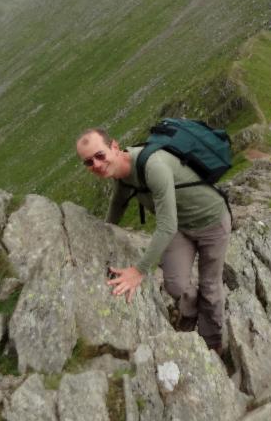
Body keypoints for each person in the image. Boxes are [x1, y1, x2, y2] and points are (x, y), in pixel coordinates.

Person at [76, 127, 232, 355]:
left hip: (211, 222)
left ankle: (212, 342)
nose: (97, 165)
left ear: (115, 147)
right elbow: (118, 203)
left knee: (210, 286)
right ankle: (190, 312)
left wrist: (138, 271)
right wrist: (104, 233)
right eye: (89, 162)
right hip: (181, 227)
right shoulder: (121, 175)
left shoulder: (153, 166)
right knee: (175, 285)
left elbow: (166, 225)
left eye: (100, 156)